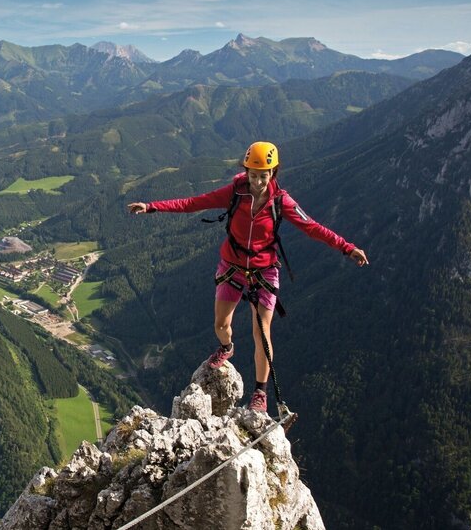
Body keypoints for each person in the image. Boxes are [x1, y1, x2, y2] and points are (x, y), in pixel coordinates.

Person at [127, 141, 369, 413]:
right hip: (232, 266)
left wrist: (347, 248)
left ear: (273, 173)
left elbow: (312, 227)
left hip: (264, 270)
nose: (257, 181)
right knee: (221, 324)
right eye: (252, 175)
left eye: (263, 176)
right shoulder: (235, 192)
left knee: (262, 334)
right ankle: (227, 347)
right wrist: (152, 207)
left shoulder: (281, 202)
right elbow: (194, 203)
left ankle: (260, 393)